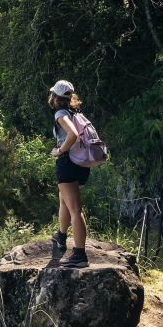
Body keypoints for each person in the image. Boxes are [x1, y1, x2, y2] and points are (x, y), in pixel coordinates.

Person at [48, 80, 90, 268]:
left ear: (55, 97)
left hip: (68, 162)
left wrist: (59, 151)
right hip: (81, 164)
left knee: (75, 208)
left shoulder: (61, 113)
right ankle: (62, 236)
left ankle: (80, 255)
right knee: (64, 199)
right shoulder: (76, 113)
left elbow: (73, 135)